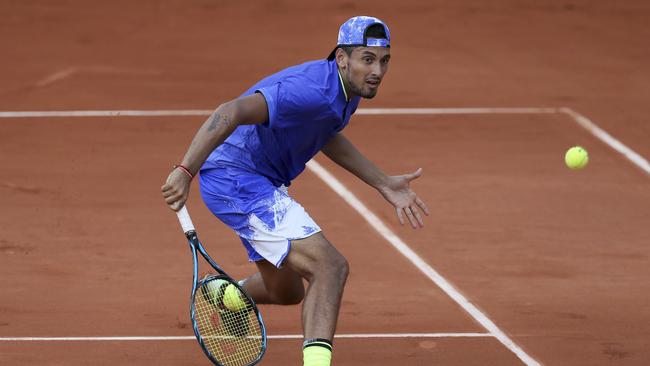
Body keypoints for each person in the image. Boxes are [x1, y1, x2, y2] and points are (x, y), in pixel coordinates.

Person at [162, 15, 429, 366]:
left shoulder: (345, 90)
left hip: (256, 180)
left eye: (384, 60)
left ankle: (226, 295)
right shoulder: (309, 92)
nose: (377, 70)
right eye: (367, 59)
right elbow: (230, 111)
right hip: (237, 179)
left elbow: (325, 131)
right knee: (330, 268)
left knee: (287, 292)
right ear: (342, 58)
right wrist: (185, 170)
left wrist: (382, 182)